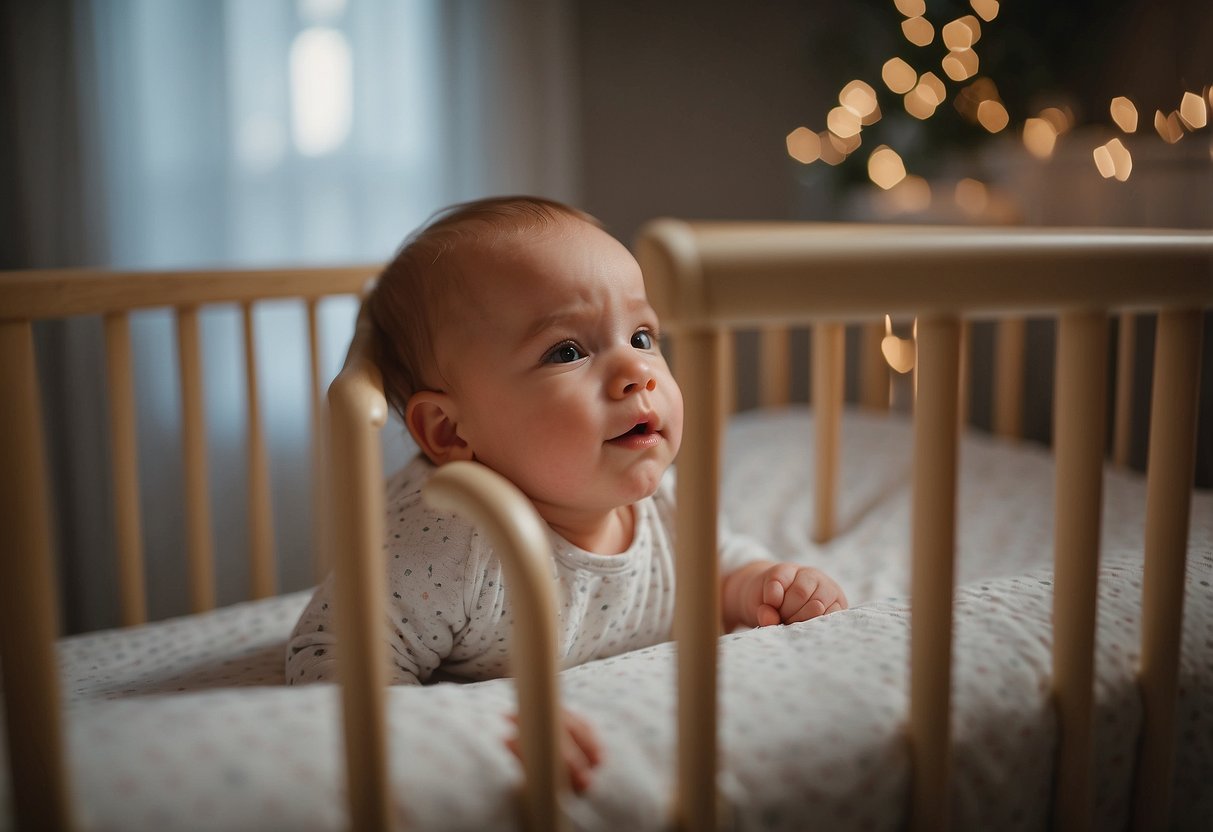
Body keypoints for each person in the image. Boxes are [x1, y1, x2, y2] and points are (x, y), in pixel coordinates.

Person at [286, 195, 847, 792]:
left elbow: (712, 567)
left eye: (641, 335)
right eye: (568, 351)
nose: (638, 372)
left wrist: (761, 586)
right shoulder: (451, 537)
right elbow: (330, 654)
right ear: (450, 431)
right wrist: (469, 725)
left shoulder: (661, 503)